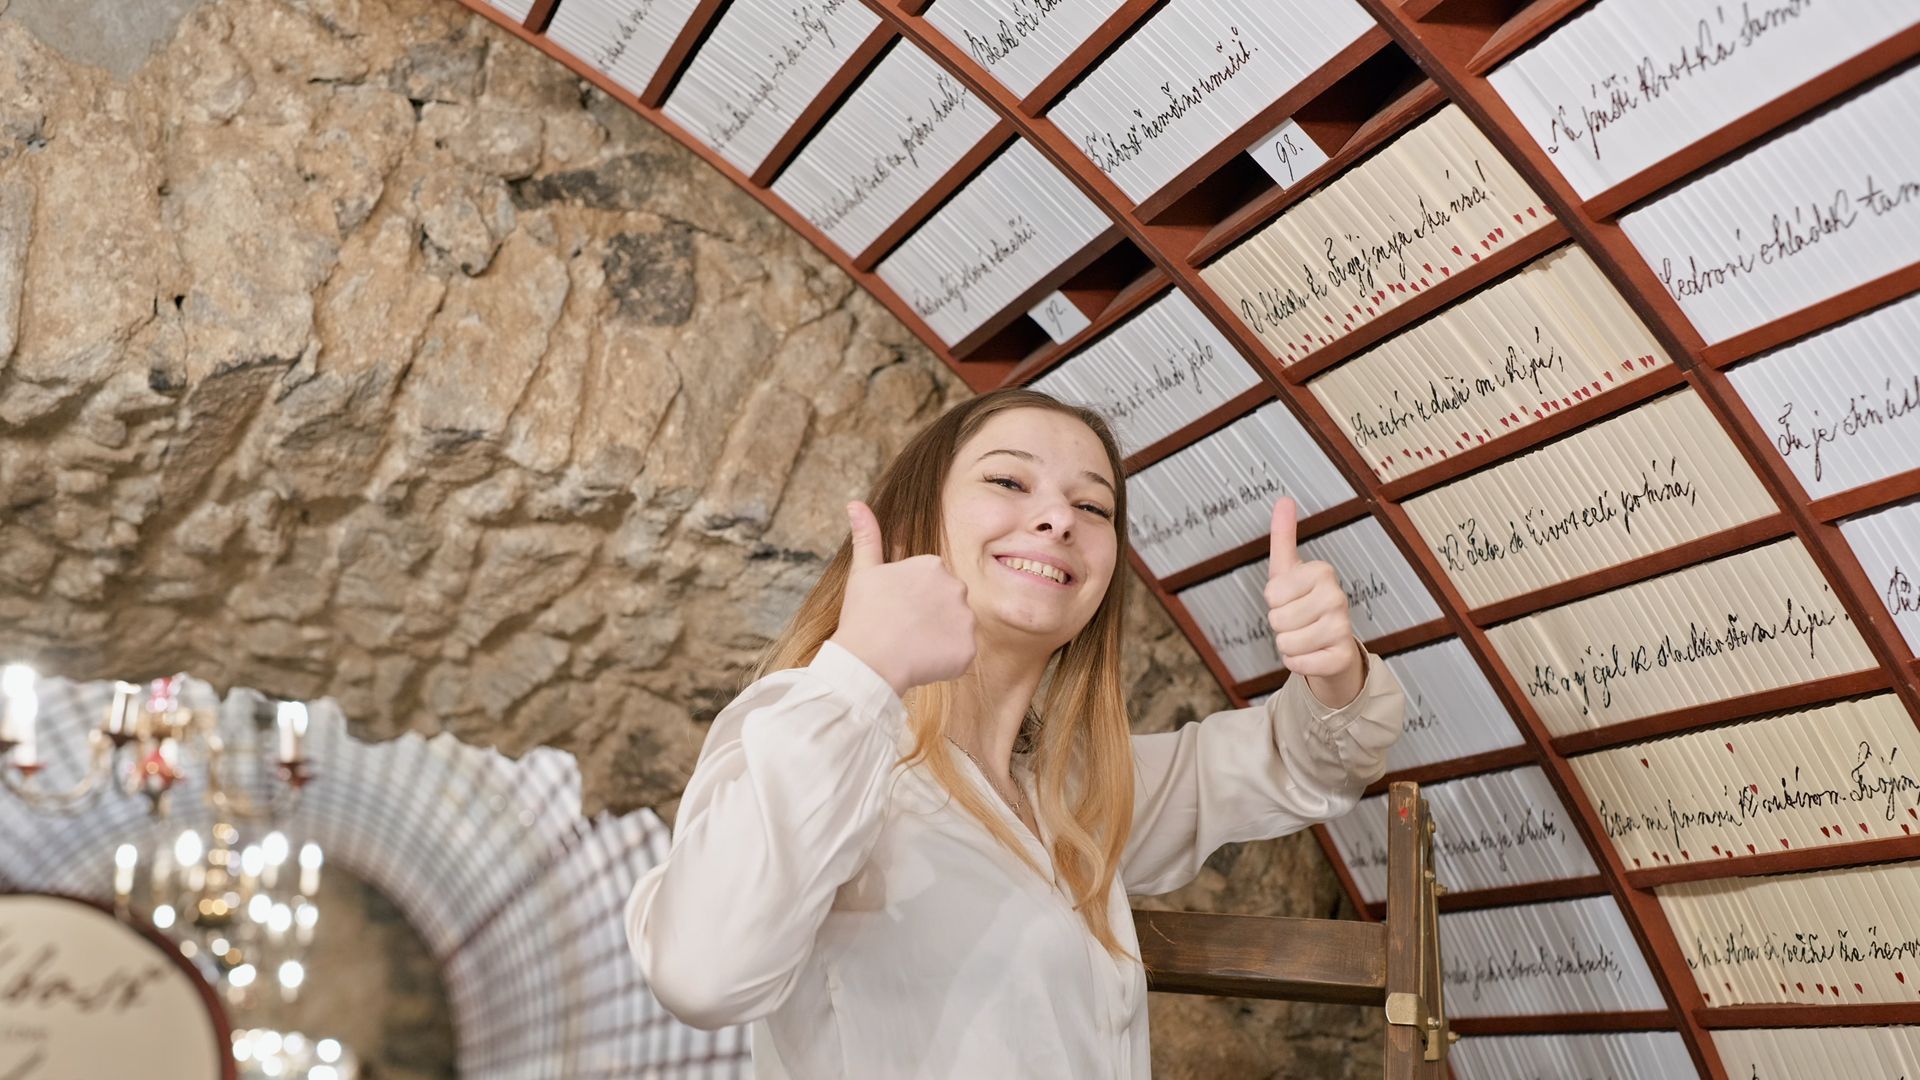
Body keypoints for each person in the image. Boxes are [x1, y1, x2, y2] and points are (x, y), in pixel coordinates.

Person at [625, 387, 1405, 1078]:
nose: (1058, 517)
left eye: (1093, 506)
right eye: (1008, 480)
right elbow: (703, 974)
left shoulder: (1075, 793)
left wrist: (1331, 670)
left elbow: (1300, 765)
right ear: (914, 520)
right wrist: (861, 668)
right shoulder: (813, 734)